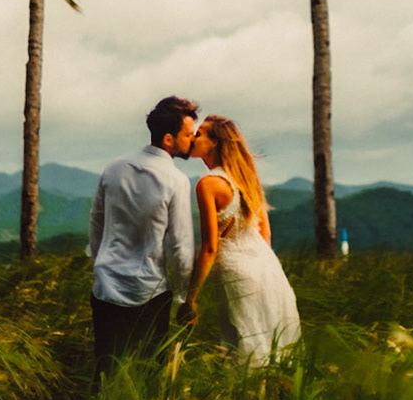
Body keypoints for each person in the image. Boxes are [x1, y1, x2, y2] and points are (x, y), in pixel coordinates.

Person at [88, 95, 198, 384]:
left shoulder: (113, 168)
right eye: (188, 135)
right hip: (149, 292)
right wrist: (184, 297)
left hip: (105, 287)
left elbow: (96, 222)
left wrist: (100, 263)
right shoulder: (176, 180)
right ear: (168, 139)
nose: (193, 140)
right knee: (149, 375)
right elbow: (181, 247)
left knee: (105, 369)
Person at [182, 115, 301, 364]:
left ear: (215, 142)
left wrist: (190, 298)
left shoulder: (209, 184)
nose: (194, 137)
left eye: (200, 133)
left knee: (243, 353)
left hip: (236, 274)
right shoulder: (247, 180)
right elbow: (264, 234)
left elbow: (209, 247)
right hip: (268, 271)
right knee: (271, 350)